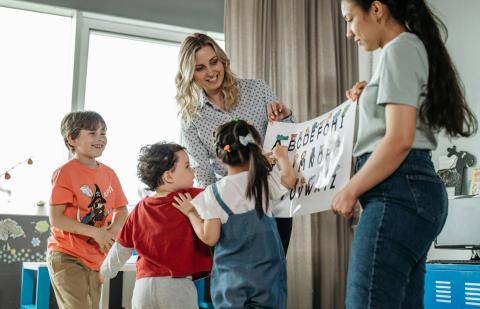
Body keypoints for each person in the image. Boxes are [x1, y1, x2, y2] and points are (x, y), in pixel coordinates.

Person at [331, 0, 478, 308]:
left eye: (350, 19)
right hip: (410, 191)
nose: (348, 32)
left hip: (397, 191)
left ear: (376, 9)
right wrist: (371, 91)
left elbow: (399, 139)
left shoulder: (400, 48)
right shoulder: (403, 49)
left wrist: (350, 190)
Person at [175, 32, 295, 254]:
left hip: (273, 198)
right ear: (190, 74)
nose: (211, 72)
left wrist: (285, 117)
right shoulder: (190, 117)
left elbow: (286, 139)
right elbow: (203, 173)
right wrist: (214, 208)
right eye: (200, 68)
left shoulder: (257, 90)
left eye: (214, 62)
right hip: (230, 209)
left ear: (222, 60)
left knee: (272, 272)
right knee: (235, 276)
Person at [173, 119, 297, 309]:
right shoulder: (260, 182)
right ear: (255, 151)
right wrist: (282, 158)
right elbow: (289, 180)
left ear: (220, 156)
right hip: (267, 276)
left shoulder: (213, 193)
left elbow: (210, 237)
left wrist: (191, 213)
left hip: (231, 281)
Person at [99, 142, 212, 309]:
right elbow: (224, 196)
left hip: (143, 287)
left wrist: (105, 272)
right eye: (187, 166)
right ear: (168, 176)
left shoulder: (139, 209)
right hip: (177, 287)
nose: (193, 170)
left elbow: (121, 248)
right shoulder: (193, 197)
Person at [47, 111, 129, 309]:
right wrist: (95, 232)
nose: (100, 138)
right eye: (92, 133)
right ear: (72, 139)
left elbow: (122, 209)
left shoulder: (109, 173)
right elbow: (56, 219)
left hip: (95, 256)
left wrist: (111, 232)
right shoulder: (65, 173)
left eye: (103, 132)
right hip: (67, 255)